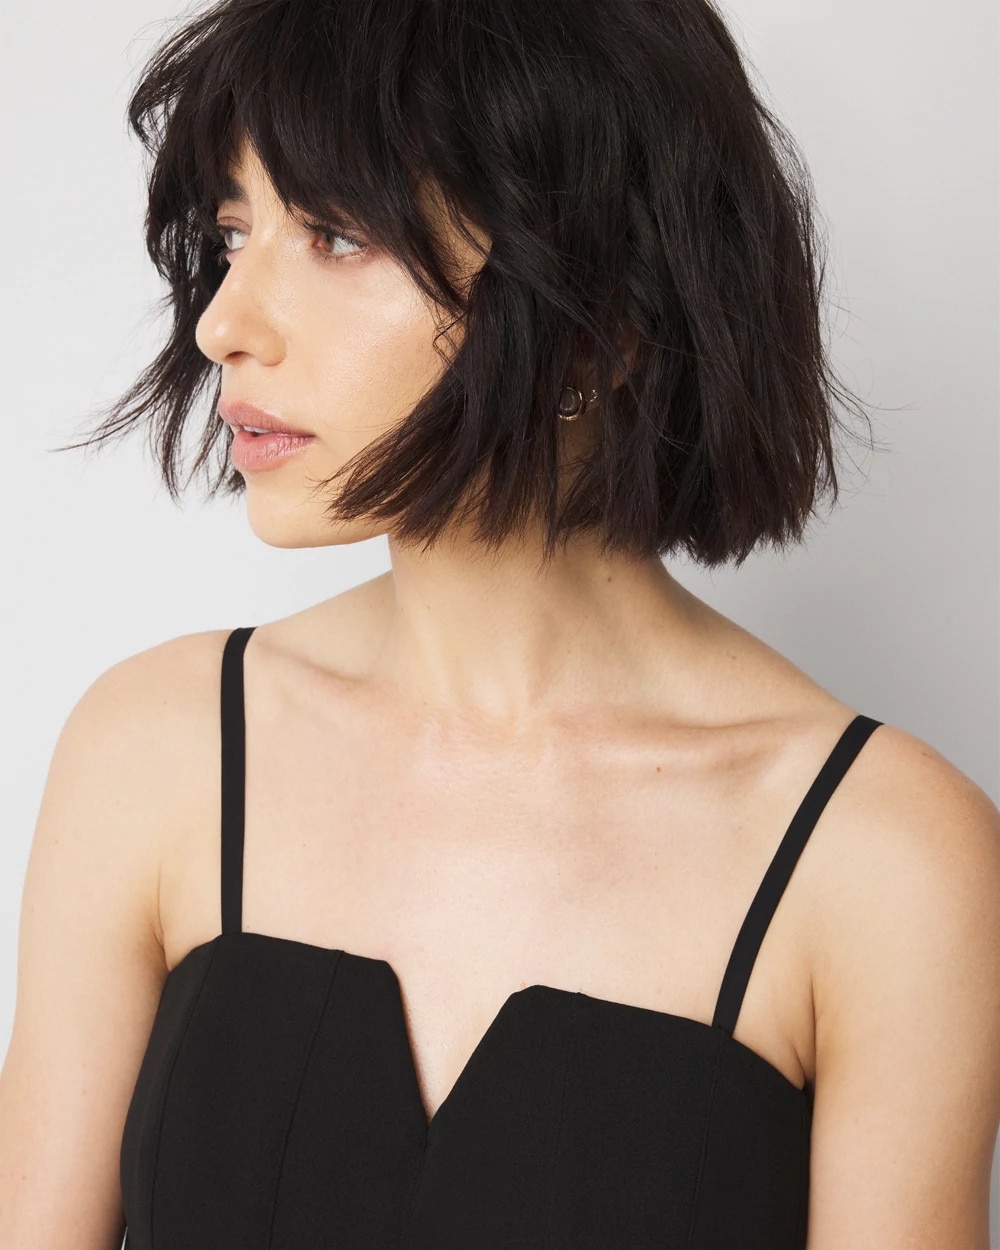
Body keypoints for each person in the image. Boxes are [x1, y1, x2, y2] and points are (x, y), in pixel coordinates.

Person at [2, 0, 999, 1246]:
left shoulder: (882, 855)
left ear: (602, 305)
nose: (223, 323)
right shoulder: (158, 749)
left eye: (335, 234)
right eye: (234, 232)